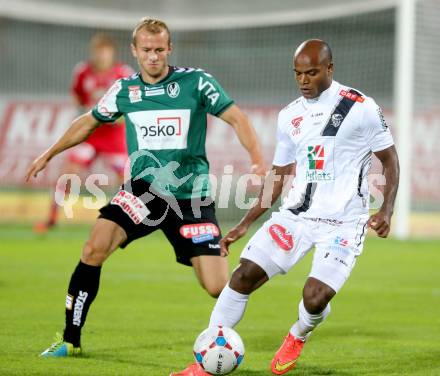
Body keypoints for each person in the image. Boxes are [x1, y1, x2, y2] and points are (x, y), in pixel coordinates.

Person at [25, 18, 265, 357]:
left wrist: (256, 158)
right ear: (135, 51)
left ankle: (262, 268)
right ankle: (69, 340)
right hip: (142, 192)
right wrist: (50, 153)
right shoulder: (124, 90)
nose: (153, 56)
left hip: (190, 198)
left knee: (215, 286)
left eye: (159, 50)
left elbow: (237, 118)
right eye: (146, 50)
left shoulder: (196, 83)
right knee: (93, 249)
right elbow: (89, 121)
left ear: (169, 49)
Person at [171, 39, 399, 376]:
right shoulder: (290, 115)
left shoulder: (361, 107)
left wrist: (386, 211)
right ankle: (204, 362)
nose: (304, 80)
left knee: (315, 297)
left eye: (311, 73)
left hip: (344, 223)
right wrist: (247, 221)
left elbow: (390, 160)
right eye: (298, 74)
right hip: (296, 217)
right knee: (243, 276)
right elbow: (279, 174)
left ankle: (298, 334)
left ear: (330, 69)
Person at [33, 33, 133, 233]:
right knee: (67, 174)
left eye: (105, 51)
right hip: (89, 134)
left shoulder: (123, 73)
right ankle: (51, 219)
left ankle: (129, 223)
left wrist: (117, 115)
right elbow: (77, 98)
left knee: (126, 180)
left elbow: (131, 104)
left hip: (113, 138)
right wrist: (89, 110)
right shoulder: (83, 72)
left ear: (112, 53)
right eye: (98, 51)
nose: (102, 56)